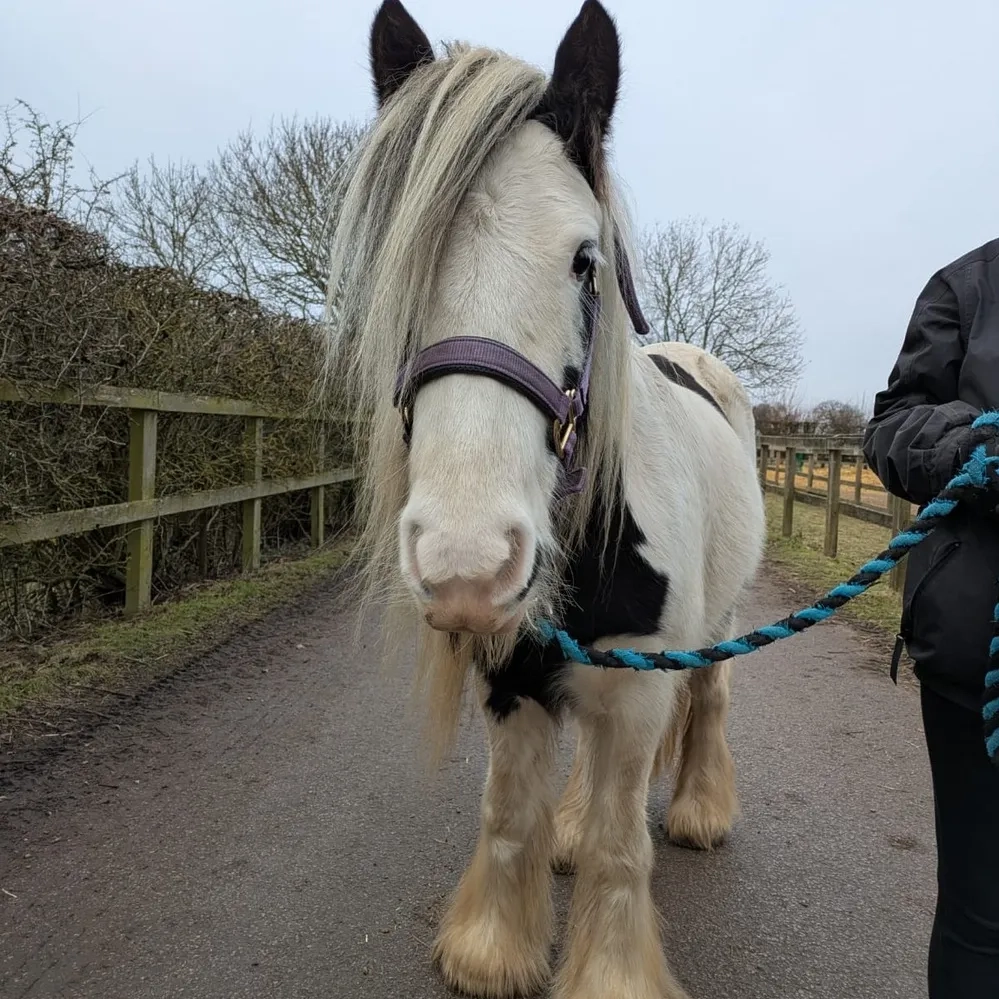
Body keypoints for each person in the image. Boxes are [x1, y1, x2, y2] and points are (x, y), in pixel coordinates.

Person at [863, 236, 999, 998]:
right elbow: (891, 426)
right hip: (976, 655)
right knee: (981, 915)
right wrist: (970, 445)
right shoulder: (966, 287)